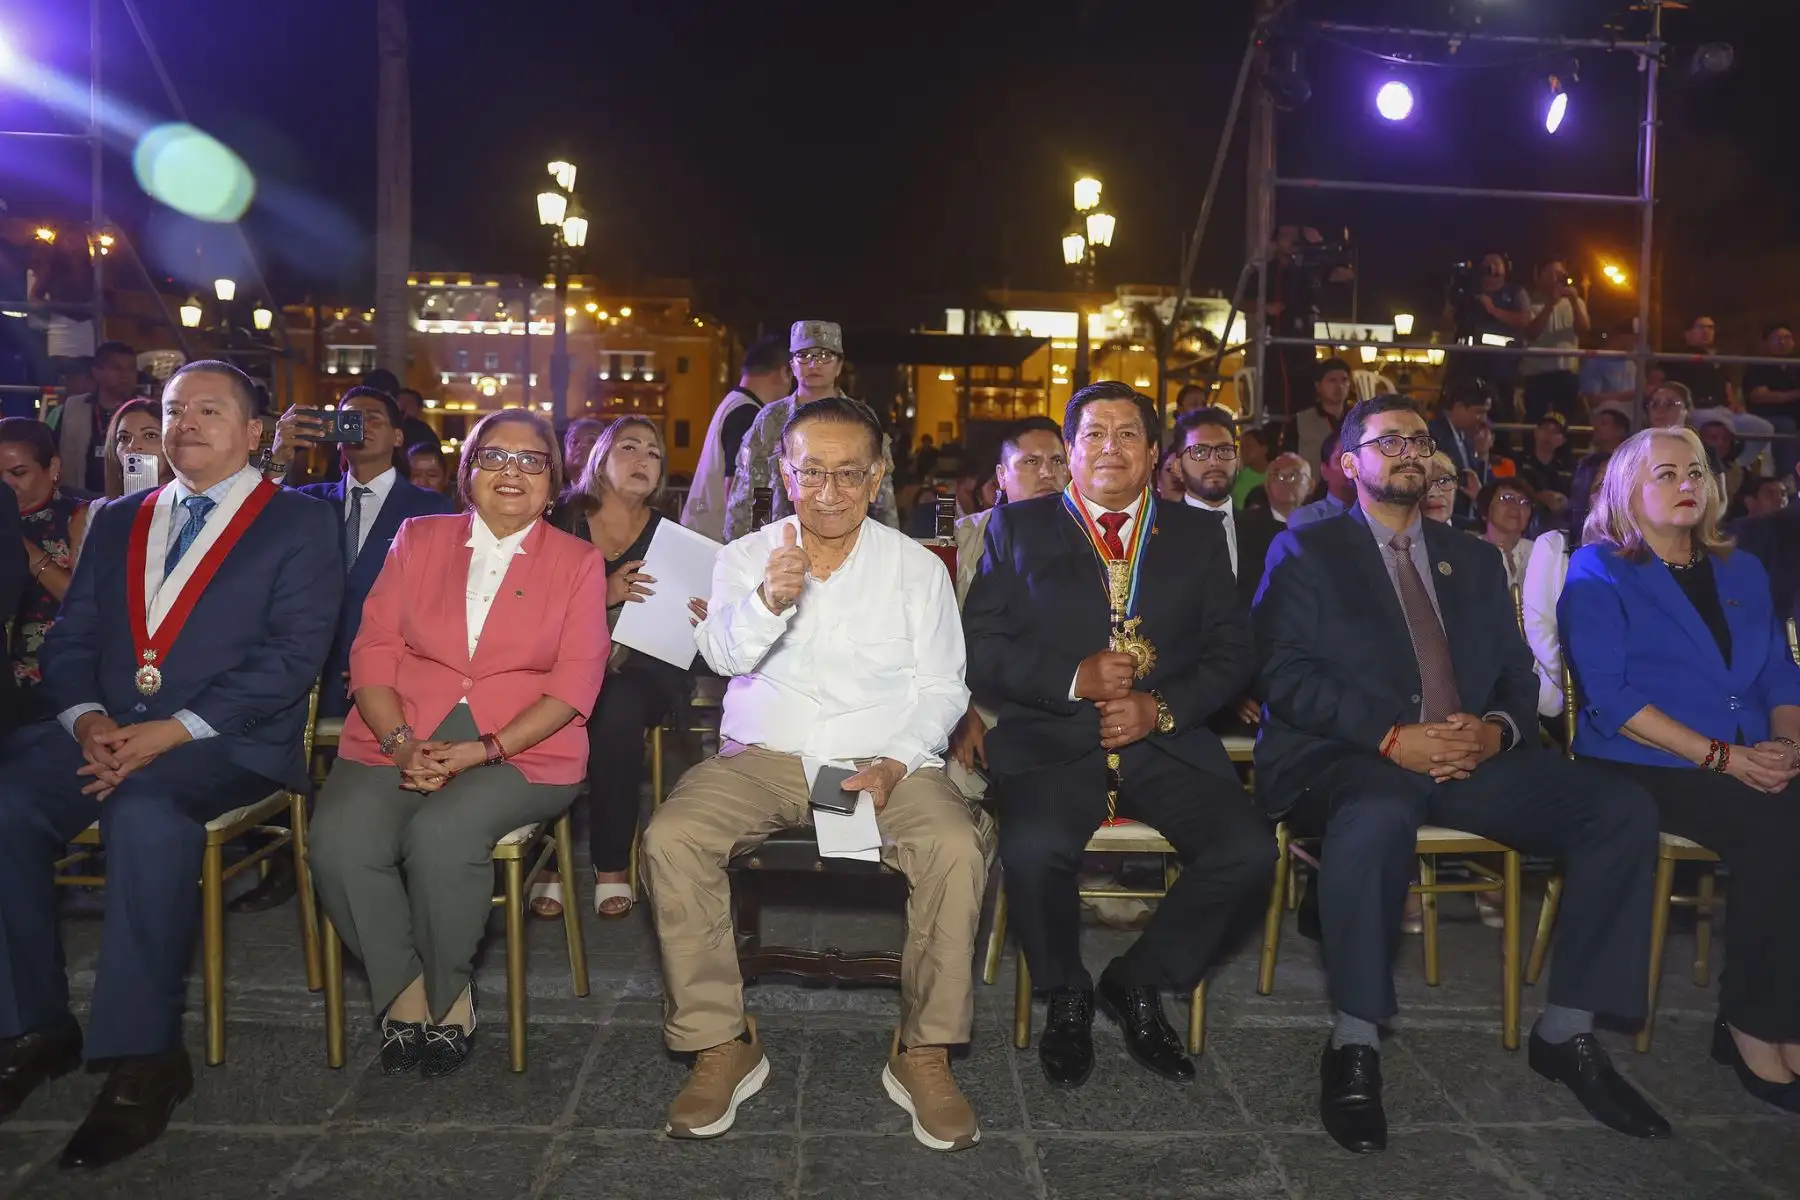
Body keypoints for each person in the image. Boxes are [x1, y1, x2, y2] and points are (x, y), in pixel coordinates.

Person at [1253, 393, 1667, 1156]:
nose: (1410, 450)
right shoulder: (1308, 552)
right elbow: (1284, 675)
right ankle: (1355, 1043)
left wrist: (1495, 730)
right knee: (1374, 817)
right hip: (1350, 756)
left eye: (1419, 440)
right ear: (1349, 465)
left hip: (1467, 757)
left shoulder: (1471, 560)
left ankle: (1569, 1029)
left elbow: (1517, 675)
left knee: (1620, 811)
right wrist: (1389, 737)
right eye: (1388, 442)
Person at [0, 360, 340, 1169]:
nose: (186, 423)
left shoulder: (298, 523)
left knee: (145, 814)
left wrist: (173, 731)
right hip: (107, 729)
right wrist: (86, 720)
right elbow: (71, 639)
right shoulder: (118, 517)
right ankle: (33, 1024)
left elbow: (293, 658)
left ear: (253, 433)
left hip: (228, 740)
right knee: (8, 801)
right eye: (174, 410)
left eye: (209, 411)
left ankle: (145, 1058)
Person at [643, 396, 989, 1152]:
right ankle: (722, 1041)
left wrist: (899, 760)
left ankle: (923, 1049)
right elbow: (722, 658)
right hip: (764, 756)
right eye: (812, 473)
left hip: (882, 758)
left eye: (847, 474)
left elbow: (943, 687)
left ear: (875, 480)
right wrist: (770, 599)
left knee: (955, 851)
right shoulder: (743, 556)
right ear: (784, 475)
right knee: (672, 837)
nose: (829, 491)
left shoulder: (914, 569)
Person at [964, 381, 1271, 1089]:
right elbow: (979, 644)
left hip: (1165, 739)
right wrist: (1073, 676)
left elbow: (1233, 654)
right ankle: (1066, 992)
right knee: (1035, 848)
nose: (1110, 448)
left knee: (1248, 851)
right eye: (1094, 434)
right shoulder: (1020, 528)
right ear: (1070, 451)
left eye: (1127, 434)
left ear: (1155, 453)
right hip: (1052, 733)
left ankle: (1137, 981)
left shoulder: (1195, 535)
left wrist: (1158, 708)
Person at [307, 410, 609, 1079]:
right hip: (402, 731)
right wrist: (402, 743)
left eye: (532, 461)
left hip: (525, 746)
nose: (512, 472)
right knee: (340, 841)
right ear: (466, 472)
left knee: (443, 835)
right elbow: (374, 651)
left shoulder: (578, 562)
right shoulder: (417, 539)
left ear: (554, 485)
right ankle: (403, 989)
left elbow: (573, 687)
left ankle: (449, 995)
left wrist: (483, 750)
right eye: (494, 457)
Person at [1561, 425, 1800, 1110]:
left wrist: (1787, 744)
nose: (1688, 484)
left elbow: (1780, 675)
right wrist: (1724, 757)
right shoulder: (1599, 569)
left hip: (1751, 755)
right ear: (1626, 489)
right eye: (1666, 473)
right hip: (1646, 761)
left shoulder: (1742, 569)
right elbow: (1611, 697)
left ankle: (1786, 1016)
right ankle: (1753, 1022)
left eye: (1697, 471)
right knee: (1777, 825)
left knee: (1786, 808)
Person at [532, 416, 704, 920]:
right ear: (599, 460)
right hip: (555, 659)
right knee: (557, 703)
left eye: (653, 452)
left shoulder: (673, 538)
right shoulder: (560, 519)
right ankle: (549, 860)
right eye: (628, 447)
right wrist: (601, 596)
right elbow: (528, 606)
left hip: (642, 668)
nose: (643, 459)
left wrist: (702, 617)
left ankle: (610, 864)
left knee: (614, 706)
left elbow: (684, 634)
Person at [947, 416, 1069, 793]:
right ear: (1001, 475)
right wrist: (961, 717)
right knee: (956, 786)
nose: (1046, 473)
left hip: (1063, 707)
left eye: (1057, 461)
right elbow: (932, 640)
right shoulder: (964, 540)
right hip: (977, 704)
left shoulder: (1090, 539)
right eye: (1030, 462)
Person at [722, 322, 898, 540]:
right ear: (792, 366)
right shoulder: (770, 420)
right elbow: (744, 494)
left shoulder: (862, 419)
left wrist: (890, 545)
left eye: (825, 355)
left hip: (851, 543)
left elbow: (883, 494)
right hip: (782, 544)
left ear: (839, 365)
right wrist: (736, 547)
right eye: (804, 355)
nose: (814, 364)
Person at [0, 418, 88, 717]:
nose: (6, 485)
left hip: (55, 680)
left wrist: (23, 547)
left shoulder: (82, 516)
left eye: (18, 473)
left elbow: (85, 603)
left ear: (52, 468)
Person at [1521, 454, 1611, 719]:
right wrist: (1576, 684)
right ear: (1585, 494)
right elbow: (1539, 625)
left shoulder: (1638, 552)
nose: (1612, 496)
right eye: (1601, 486)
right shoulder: (1553, 544)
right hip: (1564, 689)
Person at [682, 335, 791, 541]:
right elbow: (735, 485)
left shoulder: (733, 403)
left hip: (701, 535)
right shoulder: (749, 415)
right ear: (784, 372)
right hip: (716, 542)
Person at [1174, 407, 1283, 606]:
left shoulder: (1273, 536)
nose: (1214, 461)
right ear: (1177, 467)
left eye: (1224, 450)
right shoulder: (1157, 535)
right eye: (1199, 451)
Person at [44, 340, 138, 495]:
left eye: (131, 369)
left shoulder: (144, 410)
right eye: (117, 368)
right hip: (78, 498)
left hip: (129, 499)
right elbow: (52, 452)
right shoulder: (73, 407)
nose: (125, 376)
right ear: (97, 372)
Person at [1517, 260, 1590, 425]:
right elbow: (1531, 333)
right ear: (1538, 276)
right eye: (1549, 273)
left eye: (1559, 274)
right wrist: (1549, 305)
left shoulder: (1576, 302)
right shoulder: (1529, 304)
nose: (1555, 278)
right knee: (1535, 422)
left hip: (1566, 373)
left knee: (1565, 423)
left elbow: (1584, 329)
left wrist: (1574, 301)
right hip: (1537, 375)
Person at [1743, 323, 1800, 479]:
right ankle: (1788, 477)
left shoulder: (1796, 365)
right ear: (1765, 342)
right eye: (1777, 339)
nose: (1782, 342)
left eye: (1787, 338)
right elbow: (1759, 395)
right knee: (1786, 427)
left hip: (1795, 417)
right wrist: (1793, 394)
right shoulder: (1759, 366)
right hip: (1770, 417)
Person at [1428, 386, 1492, 523]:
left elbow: (1478, 485)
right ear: (1459, 407)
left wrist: (1482, 455)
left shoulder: (1467, 435)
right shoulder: (1432, 435)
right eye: (1479, 412)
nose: (1483, 419)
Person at [1285, 426, 1355, 530]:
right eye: (1341, 459)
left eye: (1357, 458)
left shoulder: (1380, 514)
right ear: (1324, 470)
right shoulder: (1307, 518)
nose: (1352, 465)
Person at [1292, 358, 1351, 479]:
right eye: (1332, 380)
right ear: (1318, 386)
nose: (1339, 386)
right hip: (1312, 490)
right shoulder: (1301, 421)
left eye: (1344, 380)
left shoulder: (1359, 419)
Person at [1477, 477, 1535, 589]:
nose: (1517, 506)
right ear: (1485, 510)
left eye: (1524, 502)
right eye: (1507, 498)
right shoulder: (1470, 552)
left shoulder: (1539, 552)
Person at [1518, 413, 1574, 522]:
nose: (1548, 435)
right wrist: (1539, 497)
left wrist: (1564, 503)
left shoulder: (1568, 468)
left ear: (1562, 440)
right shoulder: (1519, 461)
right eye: (1544, 429)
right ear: (1535, 432)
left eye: (1555, 432)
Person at [1253, 452, 1313, 523]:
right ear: (1267, 485)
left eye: (1294, 475)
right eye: (1277, 475)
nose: (1286, 481)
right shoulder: (1245, 524)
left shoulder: (1320, 524)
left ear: (1310, 485)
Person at [391, 386, 439, 456]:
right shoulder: (389, 429)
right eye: (400, 402)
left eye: (408, 403)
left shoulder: (424, 431)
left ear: (419, 408)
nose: (402, 407)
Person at [1234, 424, 1272, 507]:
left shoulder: (1276, 476)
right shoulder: (1236, 478)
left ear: (1264, 448)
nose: (1244, 451)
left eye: (1249, 446)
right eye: (1242, 447)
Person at [562, 417, 607, 486]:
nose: (581, 445)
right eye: (574, 442)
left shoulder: (616, 494)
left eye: (592, 441)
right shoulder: (552, 494)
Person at [1419, 452, 1459, 525]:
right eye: (1424, 483)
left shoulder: (1470, 533)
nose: (1434, 493)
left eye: (1443, 481)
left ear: (1455, 486)